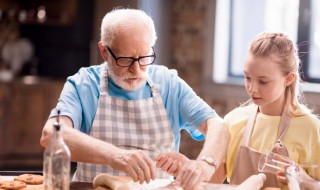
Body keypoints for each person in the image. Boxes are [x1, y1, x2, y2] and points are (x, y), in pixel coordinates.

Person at [40, 8, 230, 185]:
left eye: (144, 57)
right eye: (126, 59)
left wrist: (204, 165)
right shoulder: (84, 84)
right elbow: (50, 135)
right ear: (104, 51)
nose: (136, 70)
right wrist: (116, 156)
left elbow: (217, 126)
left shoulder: (169, 83)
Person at [156, 32, 320, 189]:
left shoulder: (312, 129)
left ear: (289, 79)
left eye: (263, 81)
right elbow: (213, 183)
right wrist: (185, 167)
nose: (252, 88)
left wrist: (304, 181)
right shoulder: (234, 121)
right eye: (248, 77)